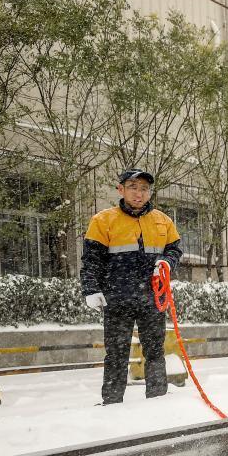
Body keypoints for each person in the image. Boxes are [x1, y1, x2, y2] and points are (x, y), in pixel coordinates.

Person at [81, 169, 182, 405]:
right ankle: (112, 402)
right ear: (121, 189)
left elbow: (174, 249)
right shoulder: (103, 220)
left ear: (150, 192)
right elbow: (91, 260)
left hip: (152, 298)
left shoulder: (163, 220)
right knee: (116, 353)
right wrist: (90, 289)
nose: (139, 193)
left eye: (144, 189)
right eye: (133, 187)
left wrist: (167, 262)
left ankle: (157, 400)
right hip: (117, 298)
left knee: (155, 351)